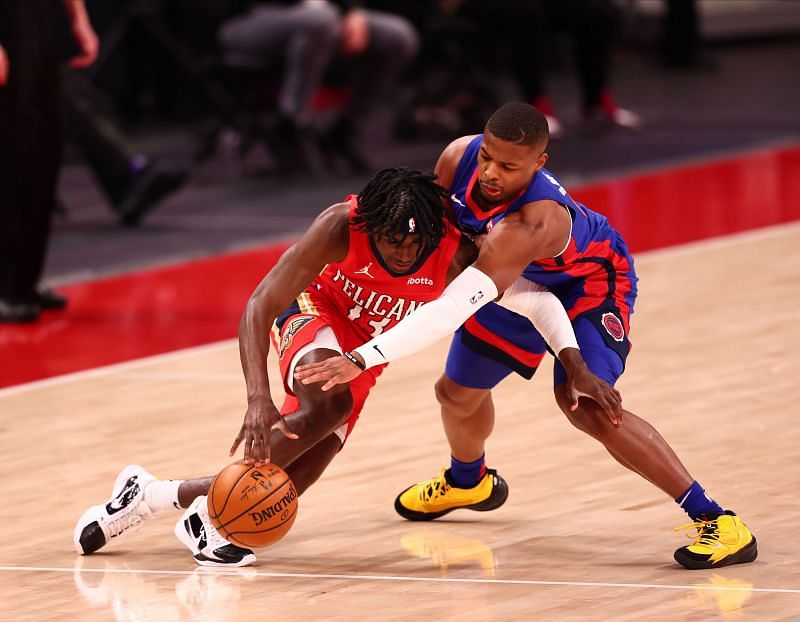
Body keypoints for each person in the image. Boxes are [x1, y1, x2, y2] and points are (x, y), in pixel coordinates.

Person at [73, 166, 618, 566]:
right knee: (325, 406)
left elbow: (536, 300)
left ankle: (150, 494)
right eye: (391, 241)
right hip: (312, 312)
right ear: (371, 226)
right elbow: (260, 304)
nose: (403, 253)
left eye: (413, 244)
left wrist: (573, 363)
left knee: (287, 486)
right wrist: (258, 398)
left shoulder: (453, 250)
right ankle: (201, 518)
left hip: (363, 356)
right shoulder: (340, 226)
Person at [293, 102, 757, 570]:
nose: (491, 173)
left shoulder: (534, 220)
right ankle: (468, 480)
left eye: (508, 166)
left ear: (539, 164)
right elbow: (448, 251)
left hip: (586, 288)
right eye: (488, 158)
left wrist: (365, 356)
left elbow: (453, 306)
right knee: (456, 394)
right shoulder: (458, 158)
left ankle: (715, 519)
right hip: (507, 282)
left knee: (586, 405)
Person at [217, 0, 419, 173]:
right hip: (252, 18)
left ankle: (345, 130)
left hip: (326, 17)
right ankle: (292, 123)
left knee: (399, 35)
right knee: (319, 21)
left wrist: (351, 12)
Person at [0, 0, 98, 322]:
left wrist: (78, 19)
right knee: (11, 150)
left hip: (36, 21)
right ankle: (8, 285)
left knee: (44, 143)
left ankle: (24, 278)